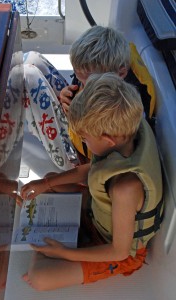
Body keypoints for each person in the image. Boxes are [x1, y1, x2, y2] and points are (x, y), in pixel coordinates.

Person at [20, 73, 163, 291]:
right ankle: (66, 236)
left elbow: (119, 251)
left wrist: (63, 253)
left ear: (107, 140)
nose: (84, 142)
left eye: (85, 139)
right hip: (96, 212)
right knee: (50, 180)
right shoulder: (126, 134)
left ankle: (61, 245)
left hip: (114, 247)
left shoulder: (126, 188)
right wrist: (46, 185)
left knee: (40, 278)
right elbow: (96, 171)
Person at [23, 25, 155, 168]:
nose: (81, 84)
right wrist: (65, 95)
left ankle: (68, 163)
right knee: (31, 58)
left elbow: (103, 148)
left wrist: (73, 111)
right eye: (78, 77)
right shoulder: (108, 70)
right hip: (78, 118)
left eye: (87, 81)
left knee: (28, 76)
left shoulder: (123, 105)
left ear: (121, 74)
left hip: (86, 155)